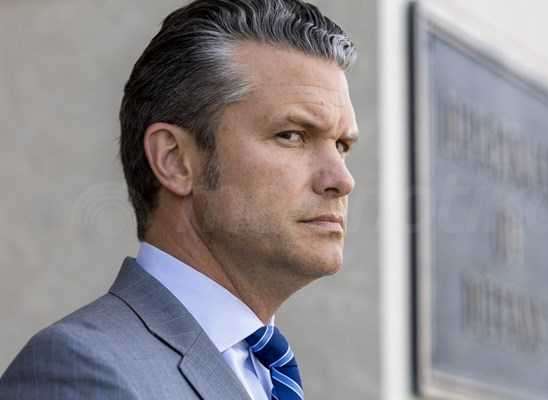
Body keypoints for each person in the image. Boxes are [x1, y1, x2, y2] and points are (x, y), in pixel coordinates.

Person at [0, 0, 358, 399]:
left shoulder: (264, 374)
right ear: (175, 160)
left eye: (342, 145)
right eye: (291, 135)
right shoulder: (77, 370)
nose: (341, 180)